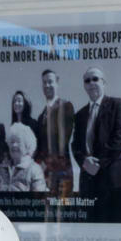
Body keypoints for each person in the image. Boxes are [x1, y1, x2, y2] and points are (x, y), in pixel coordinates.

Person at [71, 67, 121, 221]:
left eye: (95, 79)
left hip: (115, 179)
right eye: (87, 81)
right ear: (84, 86)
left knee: (120, 227)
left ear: (104, 83)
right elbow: (75, 145)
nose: (91, 83)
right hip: (90, 183)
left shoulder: (117, 104)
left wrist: (98, 164)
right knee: (92, 228)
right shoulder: (79, 115)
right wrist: (84, 162)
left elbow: (120, 137)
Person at [35, 69, 75, 198]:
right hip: (45, 173)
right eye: (44, 82)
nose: (47, 85)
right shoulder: (41, 116)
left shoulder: (66, 106)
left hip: (62, 172)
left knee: (63, 207)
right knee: (46, 207)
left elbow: (63, 140)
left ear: (57, 83)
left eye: (50, 82)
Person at [0, 123, 48, 193]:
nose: (14, 145)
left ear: (27, 145)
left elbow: (39, 197)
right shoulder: (1, 168)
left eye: (18, 142)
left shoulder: (34, 170)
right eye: (12, 142)